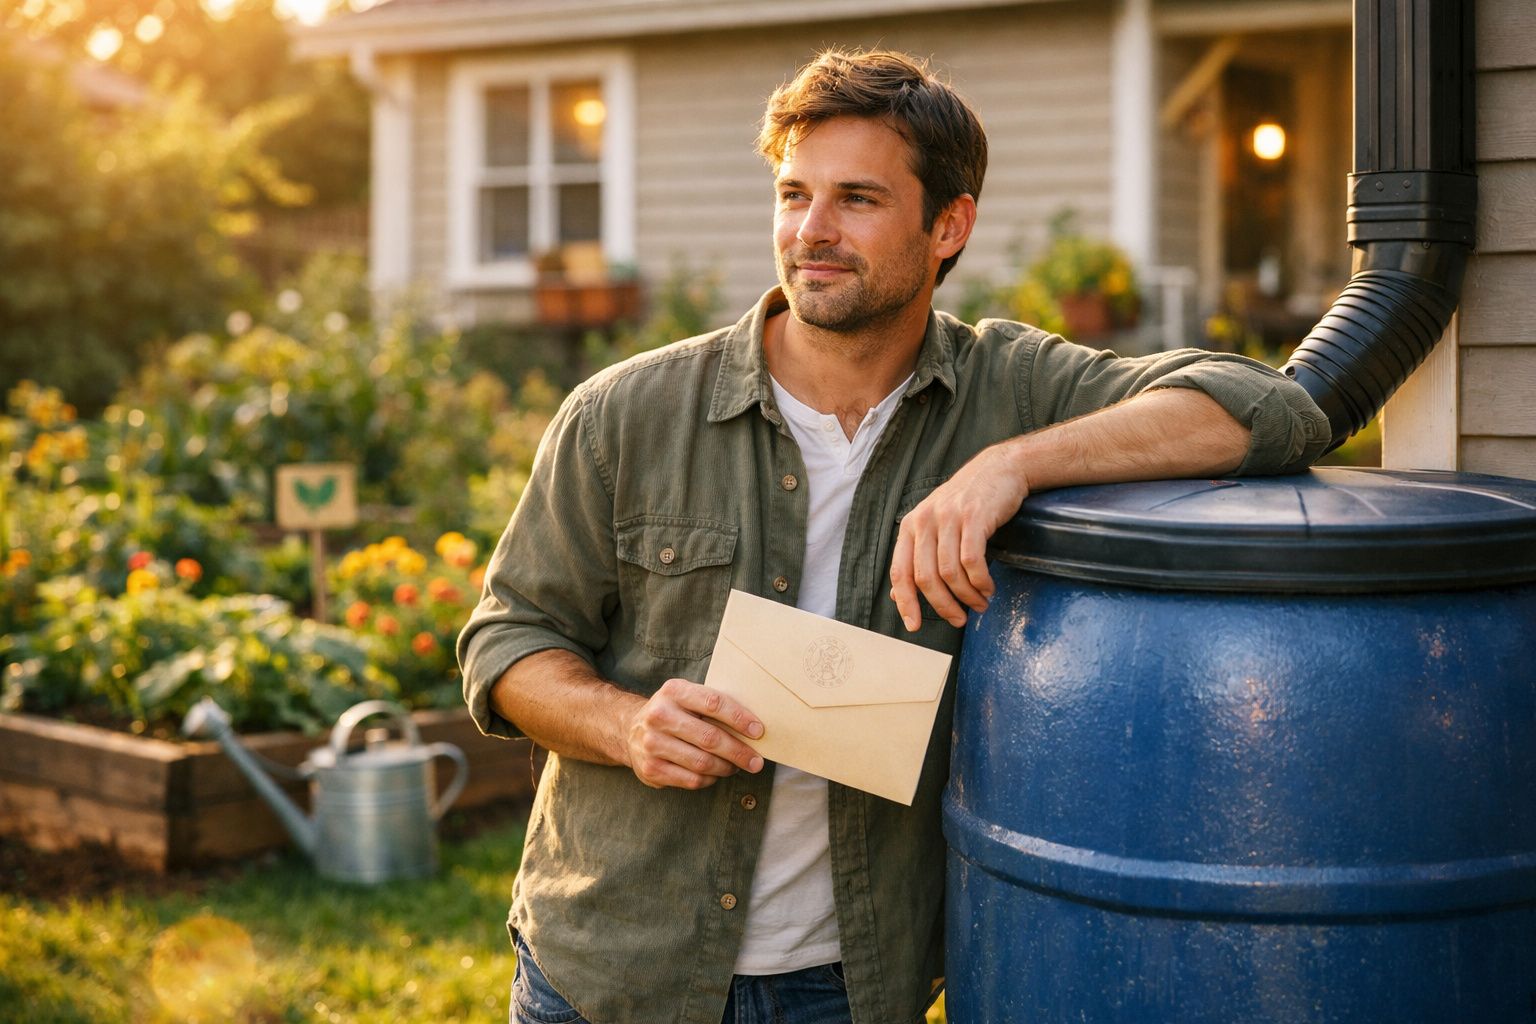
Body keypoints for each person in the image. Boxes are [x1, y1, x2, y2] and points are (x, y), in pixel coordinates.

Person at [459, 48, 1328, 1024]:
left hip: (853, 983)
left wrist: (1011, 465)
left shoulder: (1008, 391)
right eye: (794, 194)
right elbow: (508, 643)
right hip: (616, 967)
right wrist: (628, 724)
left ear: (947, 224)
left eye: (857, 199)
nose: (811, 232)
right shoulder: (624, 413)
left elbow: (1270, 408)